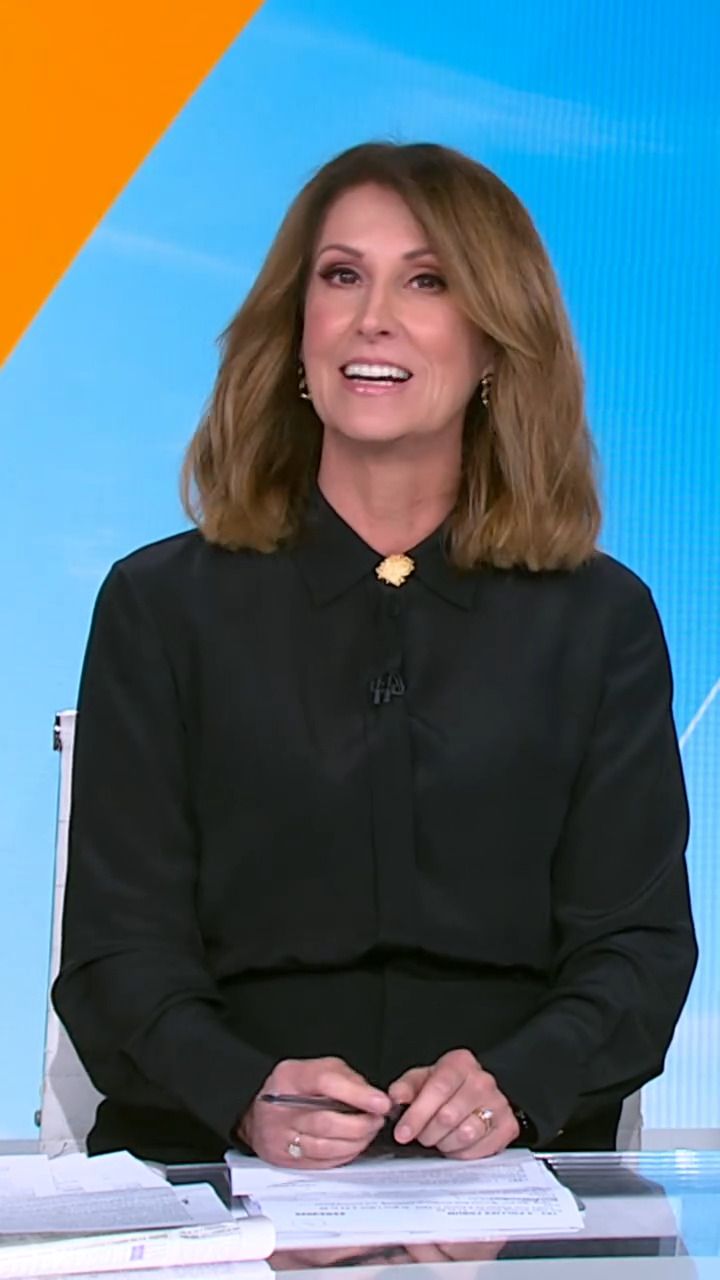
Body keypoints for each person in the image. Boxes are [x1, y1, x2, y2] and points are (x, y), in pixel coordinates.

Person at [53, 141, 697, 1167]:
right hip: (219, 1168)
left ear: (495, 344)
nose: (373, 318)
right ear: (296, 329)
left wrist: (515, 1087)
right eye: (342, 276)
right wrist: (244, 1093)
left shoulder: (601, 619)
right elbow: (115, 954)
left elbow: (637, 948)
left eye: (428, 281)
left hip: (508, 1172)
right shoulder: (159, 606)